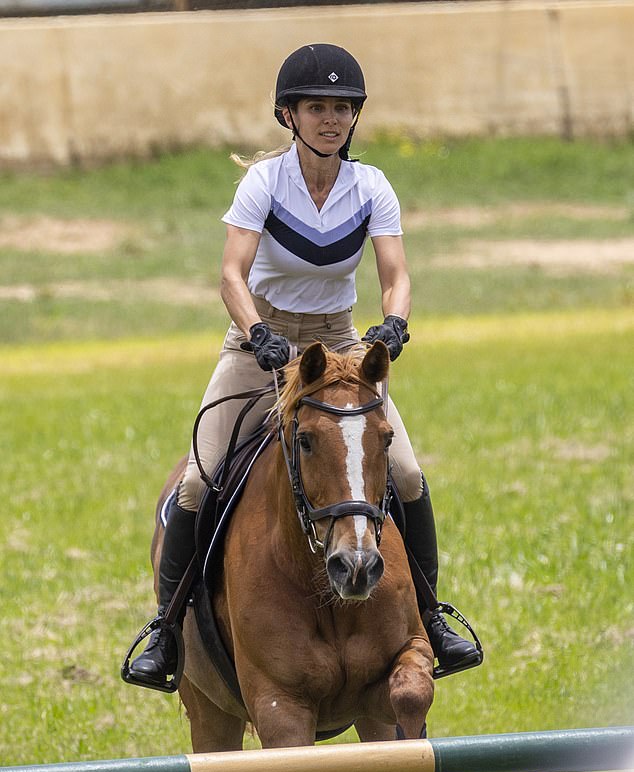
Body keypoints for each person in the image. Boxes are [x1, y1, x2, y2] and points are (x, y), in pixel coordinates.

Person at [127, 43, 483, 689]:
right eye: (317, 107)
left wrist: (394, 322)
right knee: (198, 481)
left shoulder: (371, 184)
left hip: (338, 343)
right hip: (256, 341)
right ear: (288, 116)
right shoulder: (264, 182)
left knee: (403, 472)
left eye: (343, 108)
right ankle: (164, 631)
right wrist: (257, 331)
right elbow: (231, 274)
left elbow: (396, 275)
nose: (331, 119)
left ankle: (431, 617)